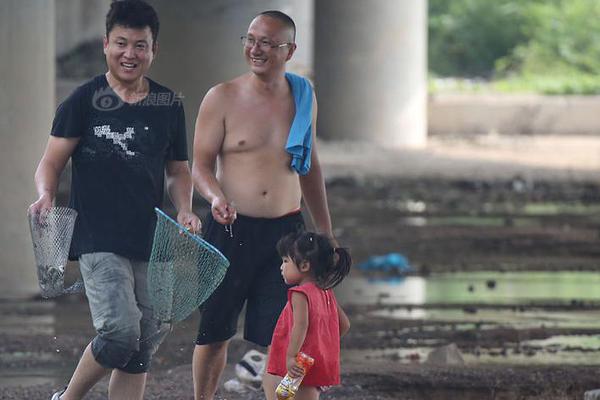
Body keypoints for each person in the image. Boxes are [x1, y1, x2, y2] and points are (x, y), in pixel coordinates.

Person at [28, 1, 201, 399]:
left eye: (140, 46)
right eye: (121, 43)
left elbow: (177, 171)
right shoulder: (82, 101)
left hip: (149, 238)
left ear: (153, 50)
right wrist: (45, 194)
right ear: (106, 44)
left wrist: (186, 208)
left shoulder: (167, 105)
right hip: (97, 236)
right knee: (121, 332)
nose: (130, 54)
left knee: (144, 341)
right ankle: (68, 398)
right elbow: (51, 162)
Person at [191, 10, 336, 400]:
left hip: (287, 234)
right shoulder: (221, 97)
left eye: (268, 43)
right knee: (214, 331)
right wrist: (215, 196)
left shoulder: (303, 97)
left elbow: (310, 164)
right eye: (251, 39)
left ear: (290, 50)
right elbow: (200, 167)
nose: (256, 49)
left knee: (285, 335)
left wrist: (325, 232)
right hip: (230, 228)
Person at [265, 231, 351, 400]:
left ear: (304, 266)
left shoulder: (300, 293)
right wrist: (322, 346)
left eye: (285, 261)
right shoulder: (325, 291)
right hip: (311, 362)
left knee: (292, 396)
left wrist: (291, 357)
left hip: (300, 364)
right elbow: (344, 324)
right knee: (283, 396)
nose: (281, 267)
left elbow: (300, 325)